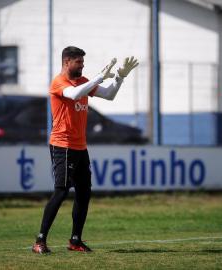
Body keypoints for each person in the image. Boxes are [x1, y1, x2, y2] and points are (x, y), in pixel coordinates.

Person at [32, 46, 138, 254]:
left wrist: (119, 78)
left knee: (84, 193)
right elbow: (73, 95)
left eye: (83, 62)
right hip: (62, 145)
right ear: (66, 62)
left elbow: (109, 96)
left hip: (80, 147)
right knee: (61, 192)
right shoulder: (59, 82)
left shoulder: (84, 81)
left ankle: (75, 240)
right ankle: (40, 240)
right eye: (78, 62)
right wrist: (99, 77)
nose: (82, 65)